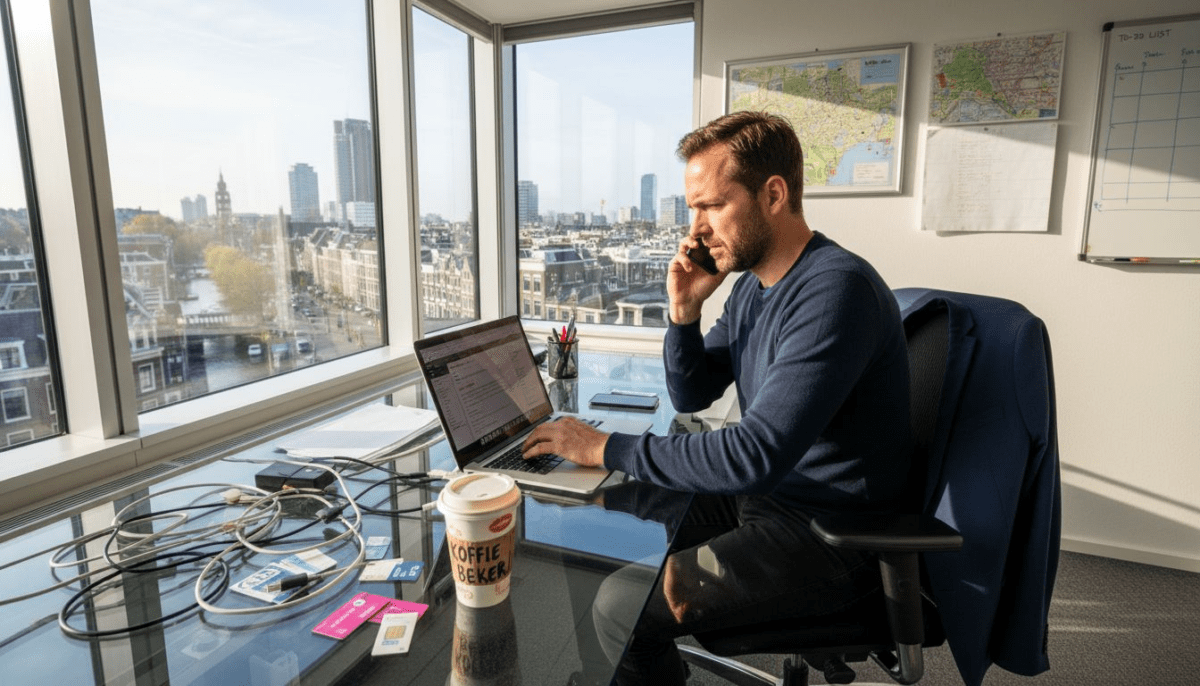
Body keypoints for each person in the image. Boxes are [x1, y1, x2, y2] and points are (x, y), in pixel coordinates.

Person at [522, 110, 911, 685]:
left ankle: (634, 664)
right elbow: (693, 392)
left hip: (826, 536)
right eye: (692, 209)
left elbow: (754, 454)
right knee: (587, 510)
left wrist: (605, 445)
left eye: (711, 206)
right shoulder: (757, 287)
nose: (696, 228)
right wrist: (684, 313)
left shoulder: (835, 290)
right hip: (763, 498)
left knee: (620, 603)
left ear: (773, 194)